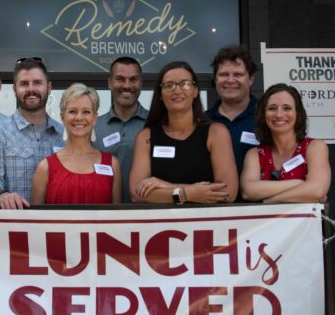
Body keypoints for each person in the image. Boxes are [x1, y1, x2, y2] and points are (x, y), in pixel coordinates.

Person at [130, 61, 238, 204]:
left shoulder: (216, 133)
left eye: (185, 84)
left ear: (195, 91)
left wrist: (170, 188)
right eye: (169, 86)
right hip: (161, 225)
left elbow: (227, 193)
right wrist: (187, 194)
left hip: (205, 224)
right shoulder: (146, 136)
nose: (177, 91)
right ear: (160, 95)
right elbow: (137, 194)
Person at [0, 57, 64, 209]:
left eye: (37, 83)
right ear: (14, 89)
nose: (31, 89)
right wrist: (3, 195)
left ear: (49, 87)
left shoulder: (64, 135)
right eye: (24, 84)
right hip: (14, 226)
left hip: (58, 226)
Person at [32, 83, 122, 204]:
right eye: (73, 111)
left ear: (95, 119)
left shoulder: (112, 165)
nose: (79, 117)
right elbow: (37, 220)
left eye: (86, 112)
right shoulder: (45, 168)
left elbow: (117, 218)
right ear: (63, 117)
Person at [240, 83, 330, 203]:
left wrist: (269, 201)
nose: (279, 115)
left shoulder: (314, 147)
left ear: (298, 113)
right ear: (263, 114)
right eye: (272, 108)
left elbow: (317, 190)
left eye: (287, 108)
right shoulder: (255, 154)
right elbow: (248, 191)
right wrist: (300, 184)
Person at [94, 57, 148, 202]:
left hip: (148, 215)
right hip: (103, 216)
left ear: (141, 83)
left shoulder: (156, 124)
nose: (127, 85)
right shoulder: (93, 127)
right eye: (120, 79)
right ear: (109, 83)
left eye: (133, 79)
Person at [206, 45, 258, 176]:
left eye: (238, 74)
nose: (230, 80)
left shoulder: (267, 118)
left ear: (251, 79)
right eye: (223, 74)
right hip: (210, 196)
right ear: (216, 79)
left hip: (257, 195)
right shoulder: (202, 121)